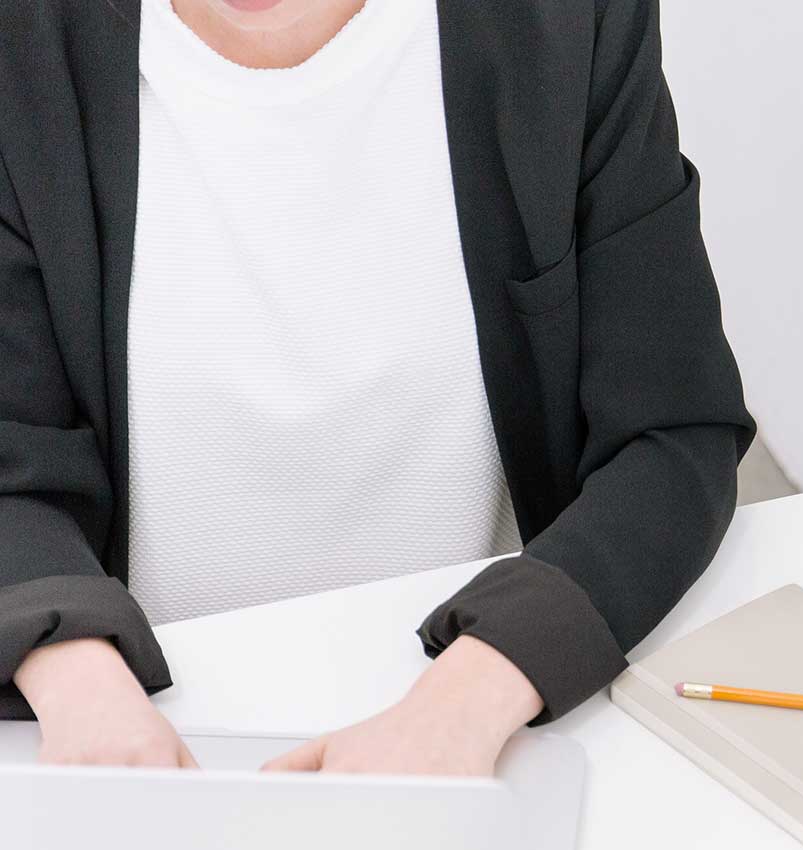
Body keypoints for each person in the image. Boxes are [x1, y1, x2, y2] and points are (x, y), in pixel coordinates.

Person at [0, 0, 753, 774]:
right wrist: (76, 674)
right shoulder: (23, 45)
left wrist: (472, 696)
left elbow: (673, 428)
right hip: (132, 721)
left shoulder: (565, 24)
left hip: (474, 707)